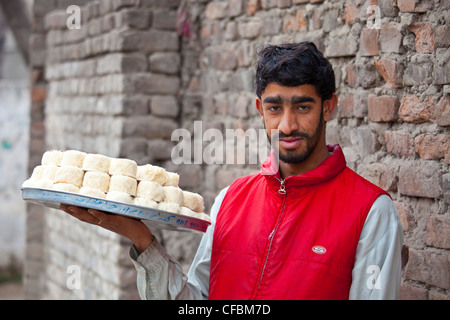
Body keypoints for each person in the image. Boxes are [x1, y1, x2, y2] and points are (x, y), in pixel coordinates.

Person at [61, 41, 403, 300]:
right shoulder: (230, 201)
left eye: (303, 106)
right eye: (274, 108)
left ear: (328, 106)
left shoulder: (371, 211)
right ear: (260, 110)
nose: (287, 125)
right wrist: (141, 239)